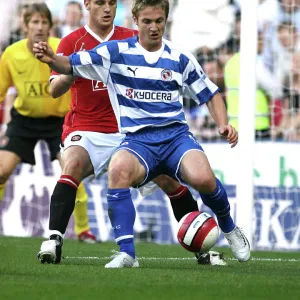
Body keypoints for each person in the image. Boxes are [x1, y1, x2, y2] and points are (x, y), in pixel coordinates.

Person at [33, 0, 251, 268]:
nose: (154, 27)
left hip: (173, 138)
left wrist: (223, 123)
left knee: (202, 179)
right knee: (105, 169)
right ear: (136, 20)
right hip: (126, 137)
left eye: (159, 21)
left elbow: (210, 93)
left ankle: (226, 230)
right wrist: (51, 58)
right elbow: (68, 66)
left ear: (165, 21)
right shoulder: (111, 50)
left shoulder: (178, 56)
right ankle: (117, 251)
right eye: (147, 21)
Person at [0, 3, 96, 244]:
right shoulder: (11, 54)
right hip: (24, 121)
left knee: (72, 170)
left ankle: (84, 230)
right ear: (25, 26)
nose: (40, 27)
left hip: (59, 122)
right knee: (1, 172)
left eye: (44, 22)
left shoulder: (60, 49)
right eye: (35, 22)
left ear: (50, 26)